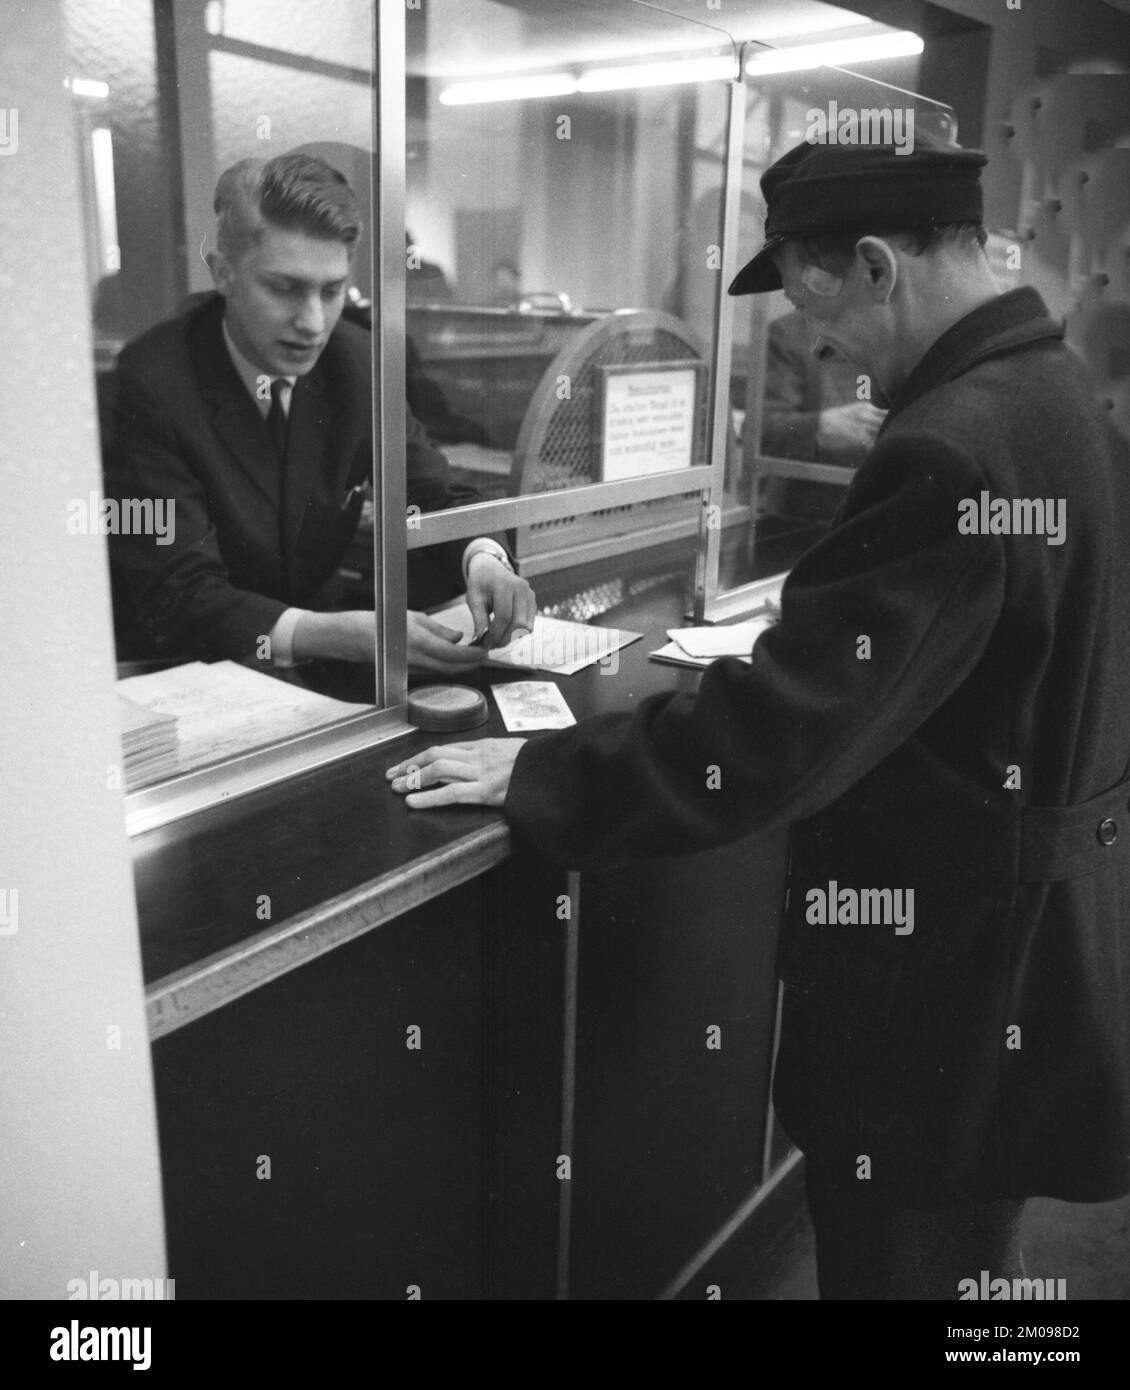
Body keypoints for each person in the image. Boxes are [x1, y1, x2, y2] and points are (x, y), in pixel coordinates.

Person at [388, 137, 1130, 1297]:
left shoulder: (947, 445)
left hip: (943, 988)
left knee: (908, 1273)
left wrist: (537, 774)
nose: (819, 346)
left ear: (877, 267)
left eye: (815, 305)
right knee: (970, 1274)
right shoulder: (1050, 388)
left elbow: (773, 740)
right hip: (1023, 967)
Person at [105, 153, 534, 673]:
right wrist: (327, 632)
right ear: (224, 274)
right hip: (190, 673)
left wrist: (484, 557)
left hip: (319, 658)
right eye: (285, 288)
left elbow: (434, 493)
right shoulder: (153, 382)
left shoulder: (357, 361)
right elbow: (178, 593)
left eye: (331, 291)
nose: (312, 322)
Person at [759, 308, 885, 522]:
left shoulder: (903, 330)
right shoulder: (791, 333)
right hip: (806, 516)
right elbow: (762, 432)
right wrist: (823, 427)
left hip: (880, 513)